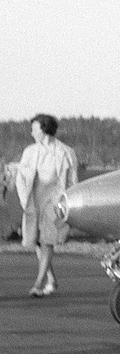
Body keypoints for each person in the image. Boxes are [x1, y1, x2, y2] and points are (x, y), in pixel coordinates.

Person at [16, 114, 79, 298]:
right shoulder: (30, 151)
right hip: (33, 202)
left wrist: (69, 205)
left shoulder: (66, 152)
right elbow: (21, 178)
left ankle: (38, 283)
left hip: (54, 203)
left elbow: (73, 181)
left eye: (34, 129)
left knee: (47, 242)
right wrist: (23, 200)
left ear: (44, 130)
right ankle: (51, 279)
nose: (31, 132)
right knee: (36, 241)